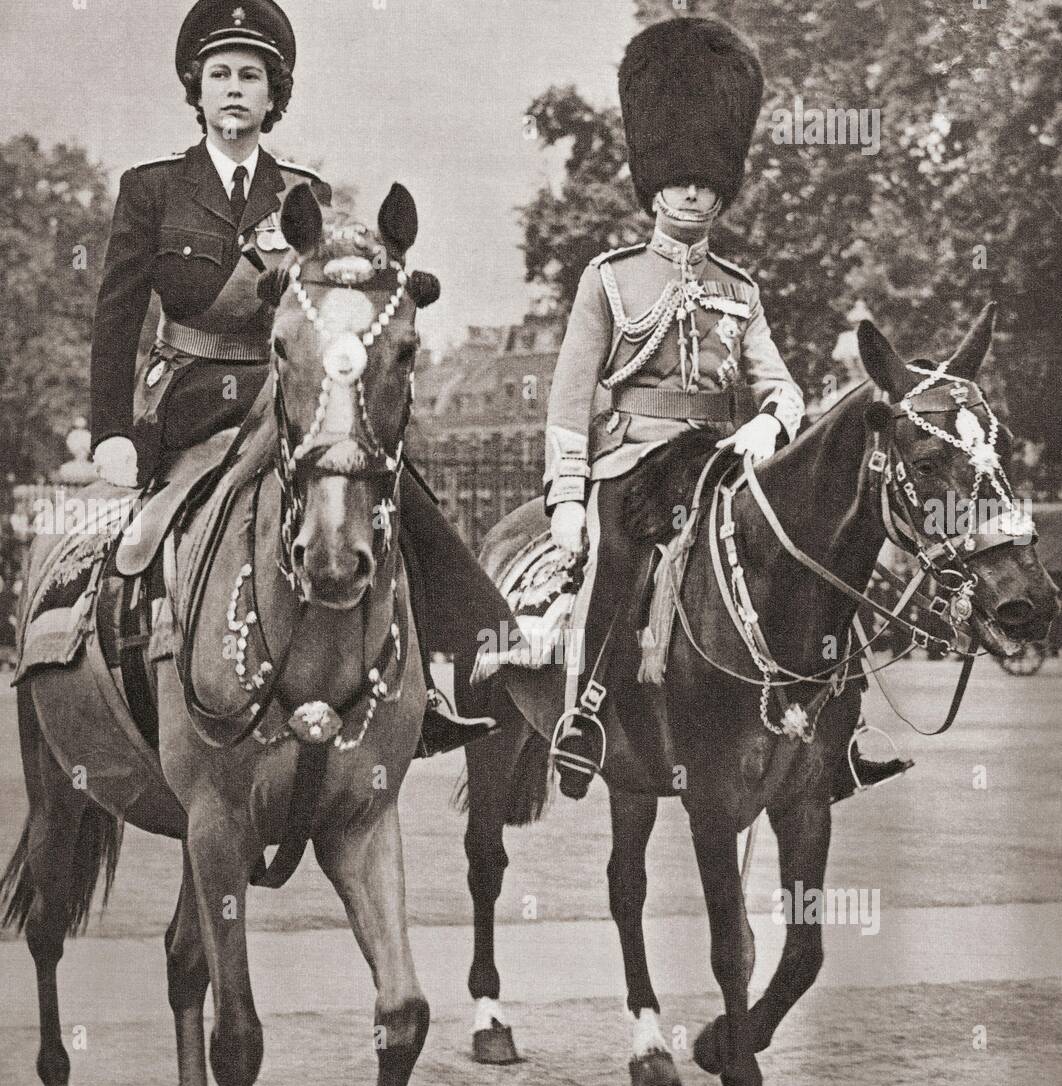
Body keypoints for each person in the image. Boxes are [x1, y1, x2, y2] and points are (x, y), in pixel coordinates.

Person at [90, 0, 505, 755]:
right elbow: (116, 317)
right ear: (198, 89)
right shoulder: (151, 190)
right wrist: (110, 431)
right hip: (187, 398)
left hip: (292, 396)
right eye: (220, 75)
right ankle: (122, 672)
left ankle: (445, 676)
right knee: (139, 539)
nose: (235, 89)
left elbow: (339, 302)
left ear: (273, 96)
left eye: (252, 76)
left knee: (395, 493)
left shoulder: (303, 193)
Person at [544, 16, 911, 801]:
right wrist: (567, 497)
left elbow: (781, 385)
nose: (694, 192)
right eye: (681, 179)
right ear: (655, 181)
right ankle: (584, 717)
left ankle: (841, 731)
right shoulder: (609, 279)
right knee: (611, 564)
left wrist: (769, 422)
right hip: (632, 462)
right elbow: (572, 396)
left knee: (815, 566)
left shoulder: (740, 291)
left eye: (709, 182)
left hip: (716, 463)